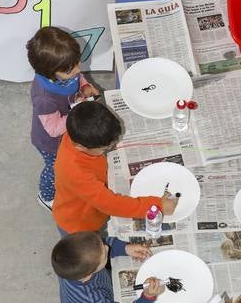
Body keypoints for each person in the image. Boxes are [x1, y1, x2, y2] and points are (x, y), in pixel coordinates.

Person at [53, 100, 178, 234]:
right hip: (80, 224)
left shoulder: (77, 132)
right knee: (93, 249)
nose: (110, 149)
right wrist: (157, 206)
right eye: (104, 149)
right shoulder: (75, 171)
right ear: (81, 146)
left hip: (93, 206)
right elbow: (110, 204)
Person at [26, 27, 100, 212]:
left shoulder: (68, 73)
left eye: (77, 63)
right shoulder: (44, 97)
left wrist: (86, 87)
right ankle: (46, 196)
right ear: (50, 72)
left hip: (68, 130)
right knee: (54, 169)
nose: (77, 70)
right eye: (70, 70)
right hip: (50, 143)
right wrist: (78, 110)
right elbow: (53, 129)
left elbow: (78, 78)